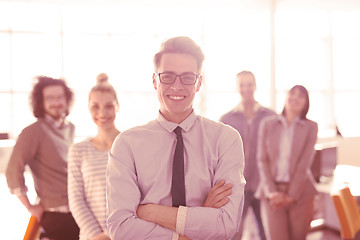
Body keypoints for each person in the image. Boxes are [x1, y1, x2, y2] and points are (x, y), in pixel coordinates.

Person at [106, 36, 245, 240]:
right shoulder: (127, 144)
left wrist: (150, 212)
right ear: (155, 80)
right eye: (168, 76)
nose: (177, 86)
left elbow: (226, 224)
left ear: (199, 83)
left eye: (188, 77)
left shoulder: (226, 139)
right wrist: (196, 222)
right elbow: (121, 228)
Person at [5, 76, 79, 240]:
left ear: (67, 100)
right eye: (50, 98)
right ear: (41, 102)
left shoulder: (70, 128)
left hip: (78, 209)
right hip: (55, 214)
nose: (56, 102)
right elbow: (12, 172)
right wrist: (30, 207)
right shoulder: (33, 132)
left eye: (60, 97)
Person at [256, 85, 318, 240]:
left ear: (306, 103)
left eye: (301, 96)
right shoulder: (267, 124)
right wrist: (272, 192)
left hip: (300, 192)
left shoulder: (311, 127)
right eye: (292, 93)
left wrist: (291, 195)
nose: (295, 98)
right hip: (272, 192)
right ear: (286, 97)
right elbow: (262, 160)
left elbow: (304, 163)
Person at [220, 70, 274, 240]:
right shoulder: (227, 119)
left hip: (263, 187)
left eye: (249, 84)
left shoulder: (271, 117)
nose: (246, 88)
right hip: (237, 188)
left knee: (267, 233)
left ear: (255, 85)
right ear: (238, 88)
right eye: (242, 84)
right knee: (234, 234)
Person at [68, 73, 119, 240]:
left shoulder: (132, 145)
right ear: (89, 108)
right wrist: (99, 236)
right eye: (95, 106)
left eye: (109, 106)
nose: (102, 113)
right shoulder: (78, 150)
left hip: (127, 234)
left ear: (117, 106)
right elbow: (76, 200)